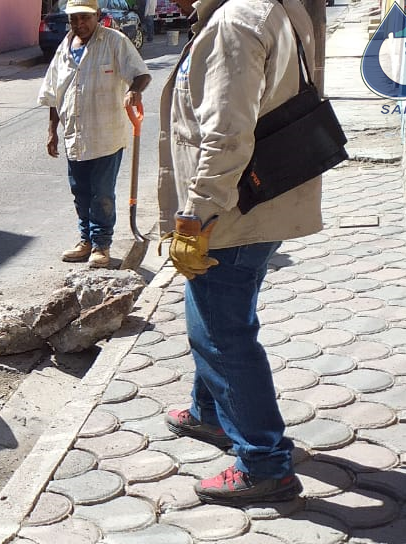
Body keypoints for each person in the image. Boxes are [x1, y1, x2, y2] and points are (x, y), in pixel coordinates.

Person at [157, 0, 320, 506]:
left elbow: (227, 135)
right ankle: (209, 413)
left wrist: (196, 216)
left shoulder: (235, 21)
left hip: (230, 212)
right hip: (254, 202)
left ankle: (264, 462)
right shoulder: (271, 7)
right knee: (216, 318)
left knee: (223, 335)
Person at [38, 0, 151, 269]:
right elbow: (54, 94)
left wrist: (134, 90)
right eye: (74, 19)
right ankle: (85, 241)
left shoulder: (115, 41)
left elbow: (142, 74)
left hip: (106, 135)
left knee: (102, 193)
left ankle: (102, 245)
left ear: (97, 16)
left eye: (85, 18)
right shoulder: (64, 49)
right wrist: (52, 131)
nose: (79, 24)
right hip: (75, 135)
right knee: (81, 192)